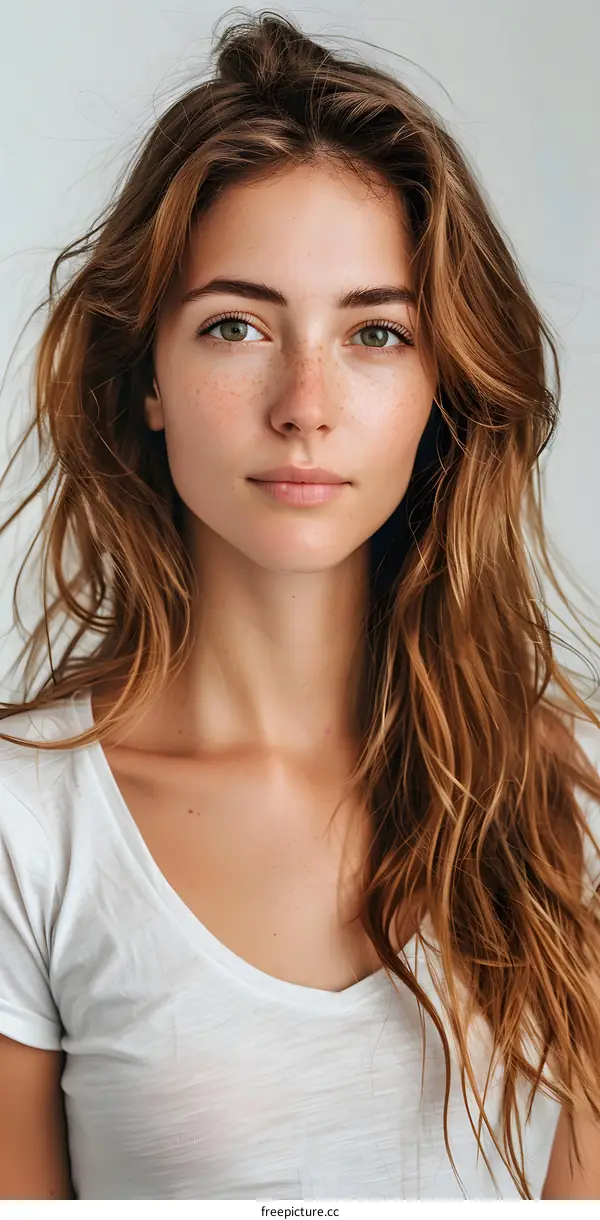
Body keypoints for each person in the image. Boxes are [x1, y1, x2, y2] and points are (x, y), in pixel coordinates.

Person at [0, 10, 599, 1204]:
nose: (306, 402)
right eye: (237, 325)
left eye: (376, 332)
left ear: (444, 385)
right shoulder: (28, 823)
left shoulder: (564, 788)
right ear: (149, 376)